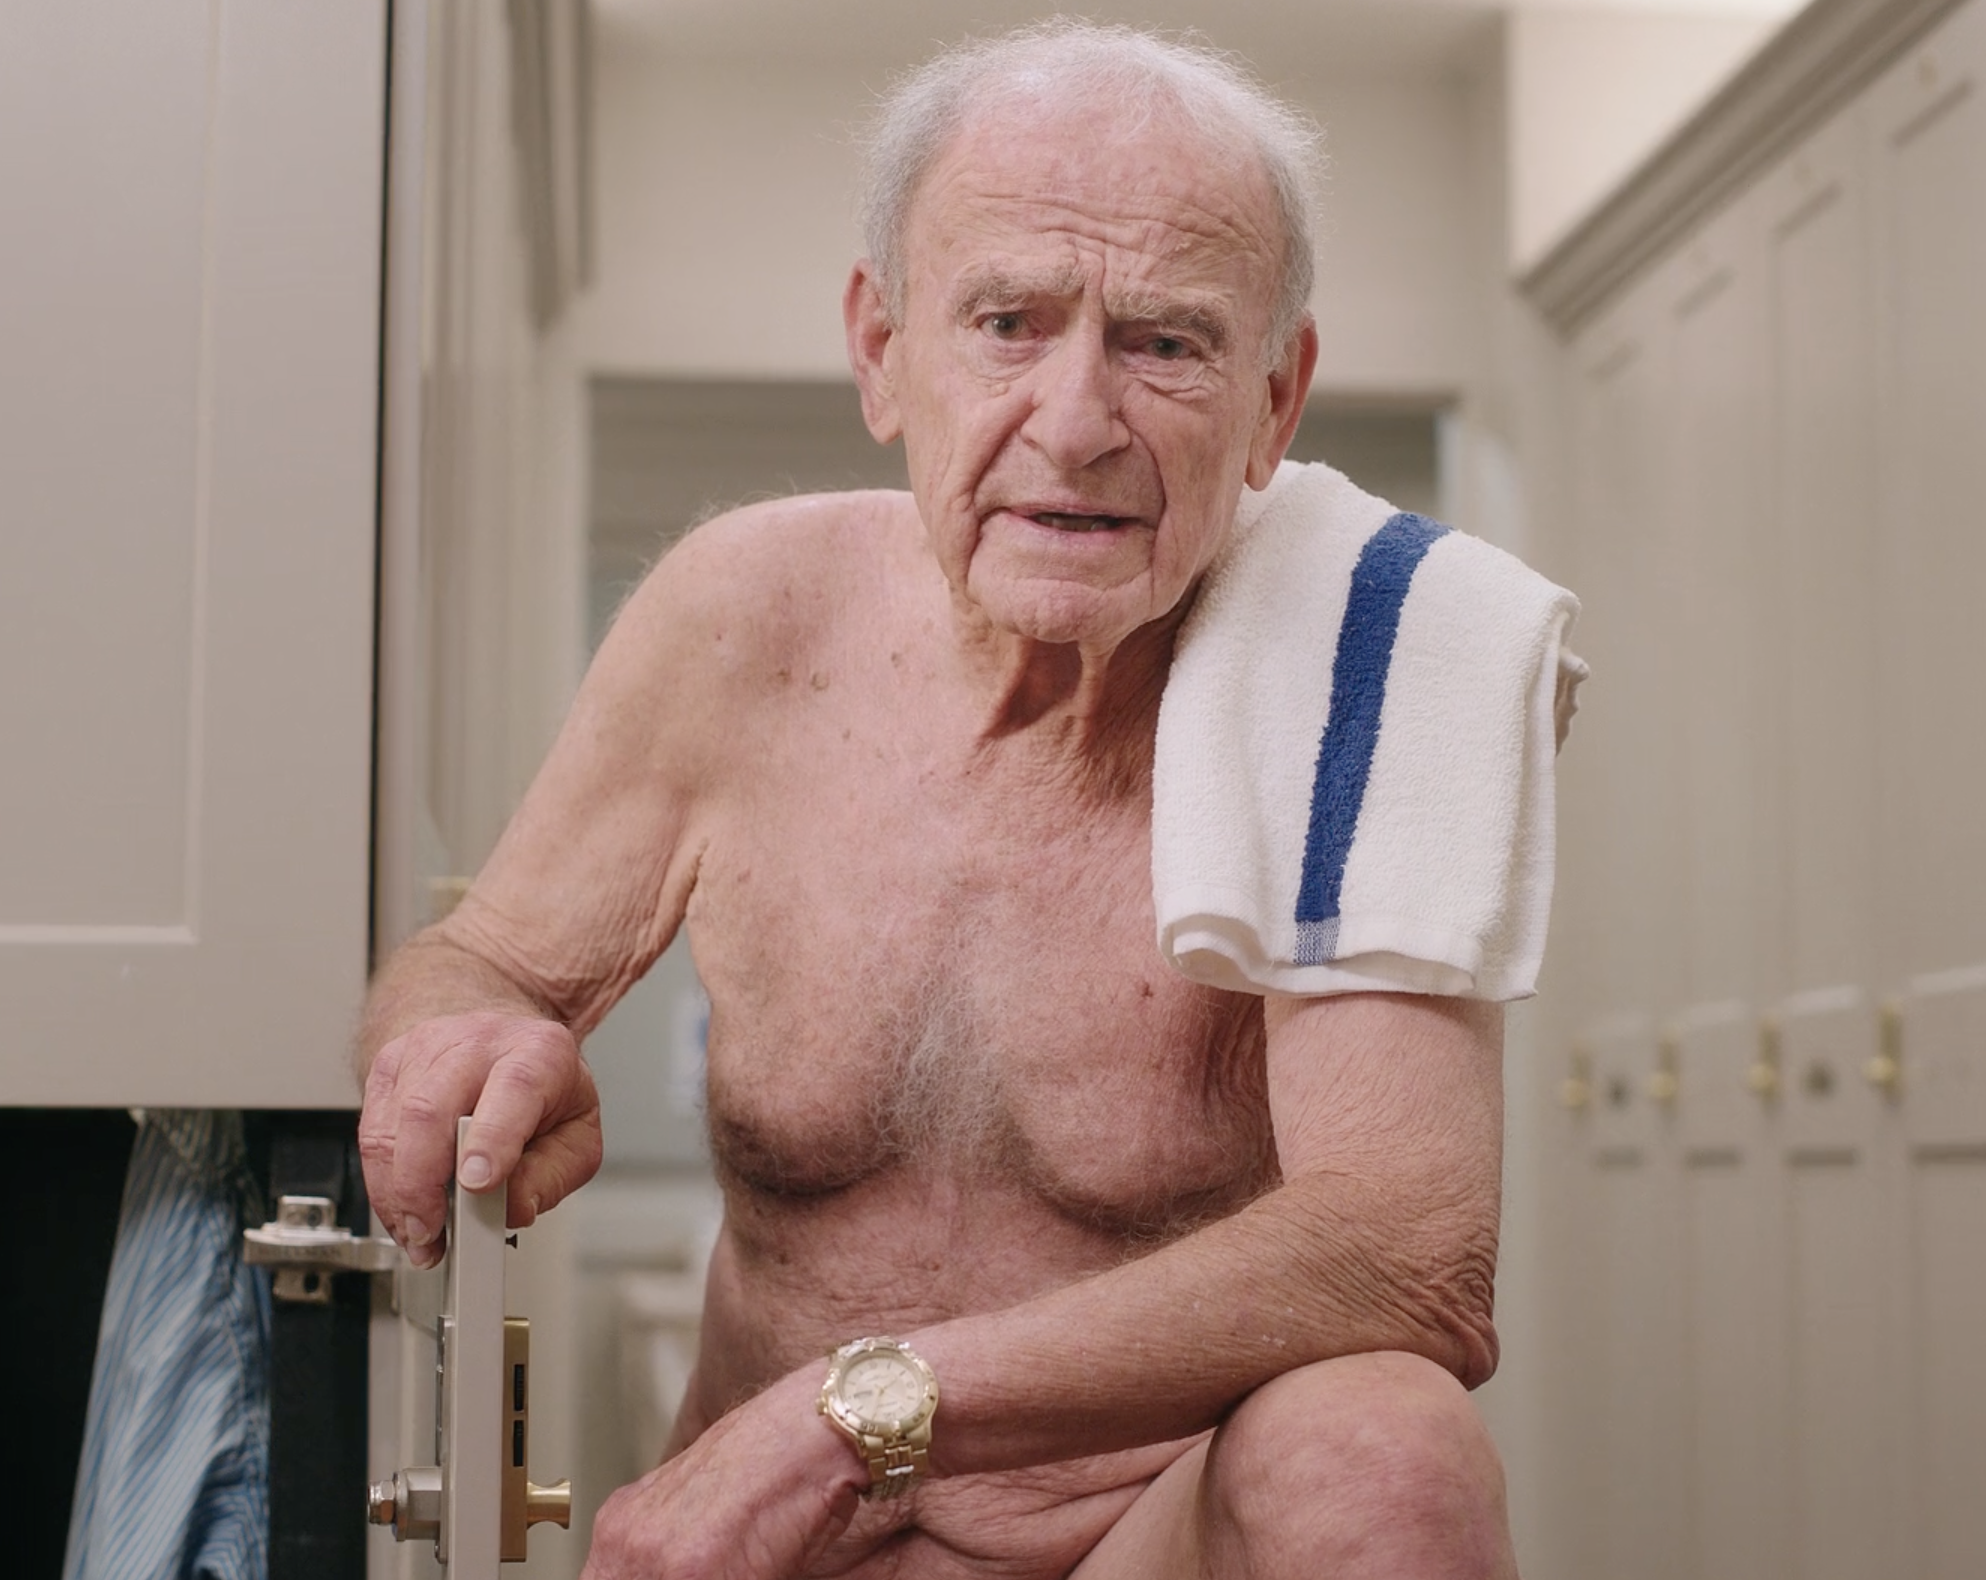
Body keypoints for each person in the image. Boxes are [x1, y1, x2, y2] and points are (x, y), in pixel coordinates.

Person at [356, 21, 1521, 1579]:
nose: (1076, 422)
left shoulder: (1370, 665)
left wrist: (850, 1413)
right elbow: (481, 961)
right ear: (880, 348)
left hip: (1137, 1534)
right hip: (773, 1549)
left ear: (1276, 398)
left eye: (1166, 343)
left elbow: (1404, 1255)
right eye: (1006, 323)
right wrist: (457, 1038)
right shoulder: (741, 617)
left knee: (1383, 1447)